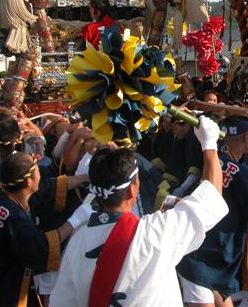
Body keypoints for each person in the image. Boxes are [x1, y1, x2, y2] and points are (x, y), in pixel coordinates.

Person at [50, 117, 228, 306]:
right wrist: (209, 144)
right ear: (132, 189)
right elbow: (212, 199)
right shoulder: (155, 233)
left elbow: (62, 301)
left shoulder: (77, 241)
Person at [177, 116, 248, 307]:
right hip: (202, 254)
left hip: (209, 249)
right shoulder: (238, 171)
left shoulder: (212, 160)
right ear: (246, 137)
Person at [0, 152, 92, 306]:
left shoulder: (3, 191)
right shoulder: (16, 220)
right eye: (36, 168)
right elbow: (42, 248)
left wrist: (85, 178)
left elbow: (46, 188)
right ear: (28, 181)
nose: (40, 172)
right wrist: (75, 220)